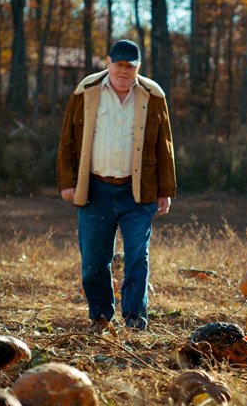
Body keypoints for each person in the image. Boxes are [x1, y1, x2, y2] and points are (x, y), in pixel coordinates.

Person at [56, 39, 176, 332]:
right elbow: (68, 139)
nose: (123, 72)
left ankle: (135, 321)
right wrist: (67, 181)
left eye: (130, 66)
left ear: (138, 68)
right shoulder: (87, 90)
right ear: (108, 62)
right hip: (95, 189)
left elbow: (165, 145)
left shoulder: (153, 95)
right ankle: (100, 316)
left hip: (137, 191)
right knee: (94, 261)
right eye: (118, 65)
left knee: (138, 258)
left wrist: (165, 190)